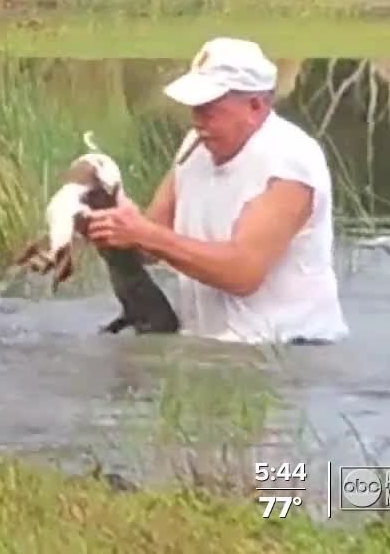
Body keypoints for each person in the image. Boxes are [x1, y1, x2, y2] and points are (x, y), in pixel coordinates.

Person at [84, 37, 349, 344]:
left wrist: (142, 233)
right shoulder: (195, 146)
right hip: (210, 346)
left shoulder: (290, 161)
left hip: (290, 349)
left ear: (255, 105)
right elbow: (148, 246)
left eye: (210, 110)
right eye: (195, 109)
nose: (198, 121)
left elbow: (242, 272)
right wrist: (110, 216)